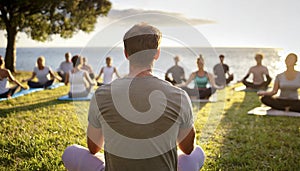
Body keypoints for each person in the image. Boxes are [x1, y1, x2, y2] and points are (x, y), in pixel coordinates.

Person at [62, 23, 205, 171]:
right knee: (198, 152)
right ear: (157, 53)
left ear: (126, 54)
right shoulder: (179, 96)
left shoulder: (101, 95)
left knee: (71, 152)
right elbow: (187, 149)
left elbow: (93, 148)